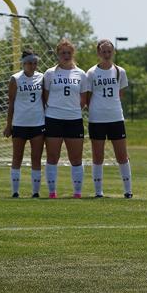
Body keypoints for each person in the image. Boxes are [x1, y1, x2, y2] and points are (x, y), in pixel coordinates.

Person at [43, 39, 90, 198]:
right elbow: (46, 96)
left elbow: (83, 100)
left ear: (73, 54)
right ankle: (52, 192)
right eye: (63, 53)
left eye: (69, 52)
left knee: (76, 158)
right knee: (52, 157)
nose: (66, 55)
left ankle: (77, 192)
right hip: (53, 119)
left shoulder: (81, 74)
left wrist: (71, 110)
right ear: (58, 54)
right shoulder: (50, 73)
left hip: (74, 120)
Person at [86, 39, 133, 198]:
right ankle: (98, 191)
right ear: (98, 53)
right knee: (98, 156)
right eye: (103, 51)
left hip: (115, 118)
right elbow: (88, 96)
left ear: (113, 52)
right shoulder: (91, 72)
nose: (106, 54)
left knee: (121, 155)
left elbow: (120, 94)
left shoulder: (120, 71)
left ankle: (128, 190)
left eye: (109, 51)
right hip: (97, 118)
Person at [3, 49, 46, 198]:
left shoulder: (41, 77)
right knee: (17, 157)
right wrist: (9, 125)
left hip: (38, 123)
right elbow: (11, 103)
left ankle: (35, 192)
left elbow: (45, 100)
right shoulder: (15, 79)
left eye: (35, 63)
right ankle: (15, 191)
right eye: (29, 63)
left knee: (36, 158)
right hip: (20, 123)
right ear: (23, 63)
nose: (32, 66)